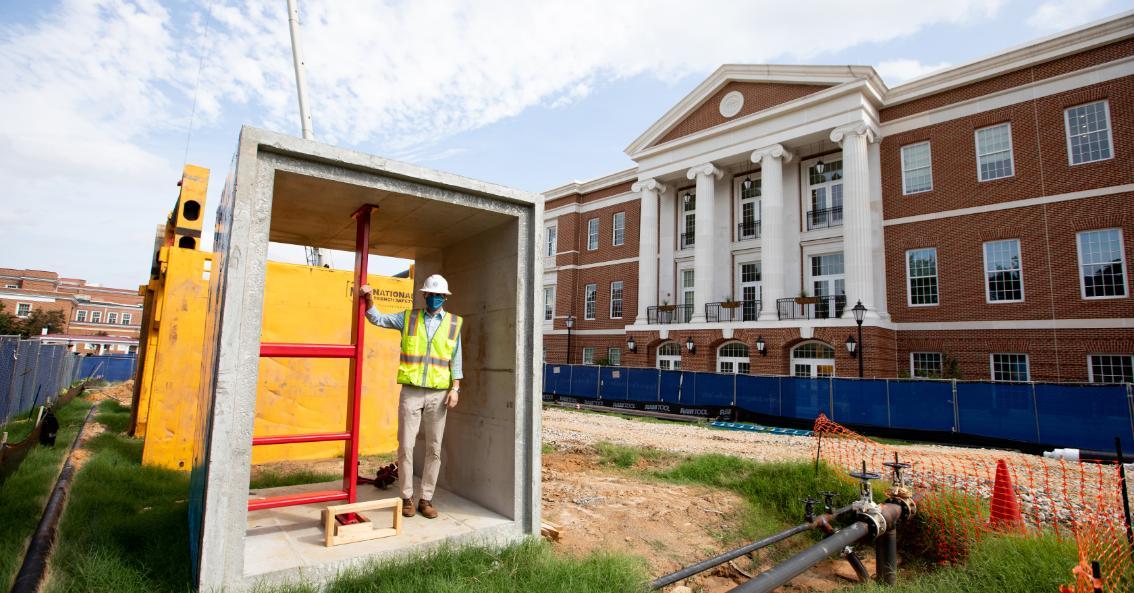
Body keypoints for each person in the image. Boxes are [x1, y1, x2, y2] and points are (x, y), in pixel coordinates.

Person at [359, 274, 462, 519]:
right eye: (431, 295)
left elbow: (456, 357)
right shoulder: (408, 318)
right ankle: (407, 497)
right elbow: (377, 319)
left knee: (434, 449)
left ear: (444, 297)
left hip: (439, 394)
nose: (435, 299)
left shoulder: (453, 323)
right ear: (424, 295)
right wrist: (369, 298)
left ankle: (426, 498)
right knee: (406, 446)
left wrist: (455, 387)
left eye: (439, 295)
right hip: (412, 392)